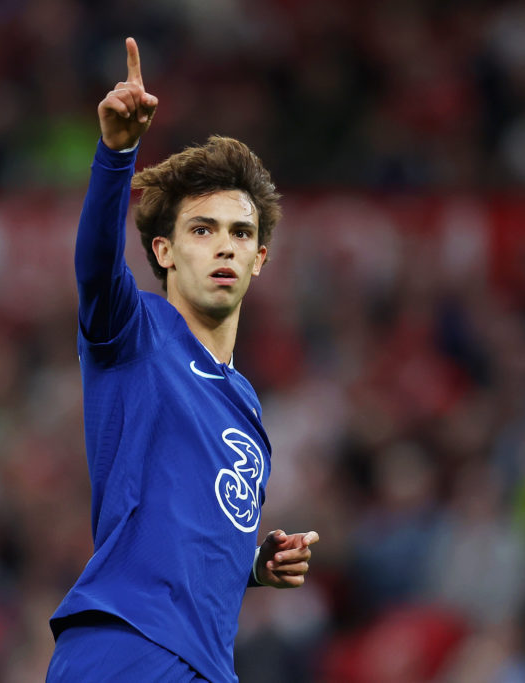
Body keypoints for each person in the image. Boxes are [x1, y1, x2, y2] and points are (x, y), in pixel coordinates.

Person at [45, 37, 320, 682]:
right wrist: (117, 154)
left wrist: (253, 566)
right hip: (129, 646)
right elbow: (93, 267)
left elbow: (184, 530)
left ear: (259, 261)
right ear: (165, 252)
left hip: (201, 662)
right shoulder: (137, 331)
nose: (223, 246)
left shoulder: (248, 406)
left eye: (240, 233)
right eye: (202, 230)